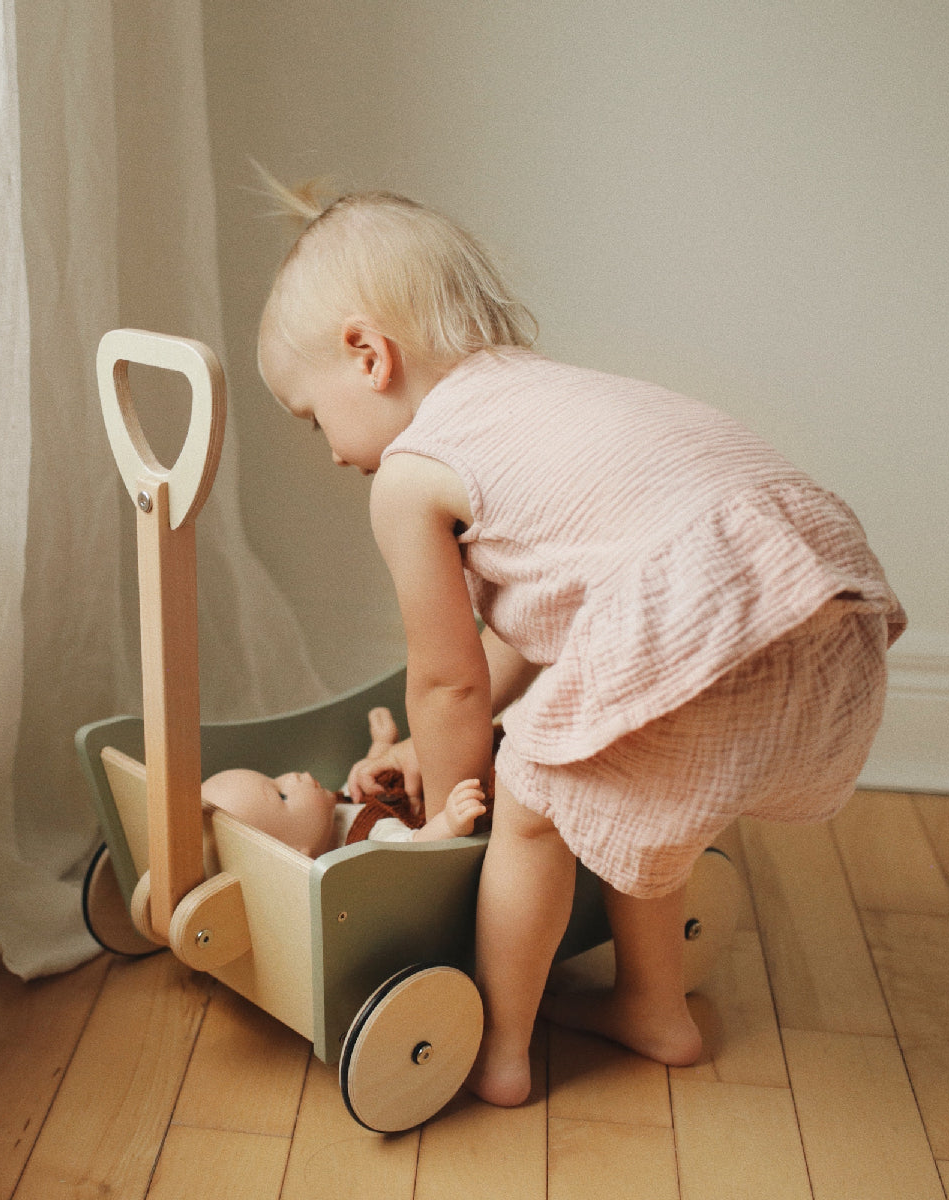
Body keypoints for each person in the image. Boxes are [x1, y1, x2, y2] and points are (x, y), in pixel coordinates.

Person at [255, 177, 906, 1107]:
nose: (327, 449)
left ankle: (502, 1052)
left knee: (532, 794)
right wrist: (405, 751)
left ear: (366, 354)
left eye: (313, 418)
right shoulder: (533, 396)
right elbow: (544, 632)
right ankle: (655, 1008)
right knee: (623, 776)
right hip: (806, 587)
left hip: (705, 604)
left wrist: (451, 814)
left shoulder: (411, 475)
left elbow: (449, 686)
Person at [200, 707, 488, 856]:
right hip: (454, 793)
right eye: (282, 795)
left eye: (275, 779)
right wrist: (450, 823)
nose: (291, 777)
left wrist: (382, 746)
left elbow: (357, 791)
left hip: (426, 766)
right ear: (300, 854)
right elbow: (413, 845)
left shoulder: (331, 809)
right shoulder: (365, 844)